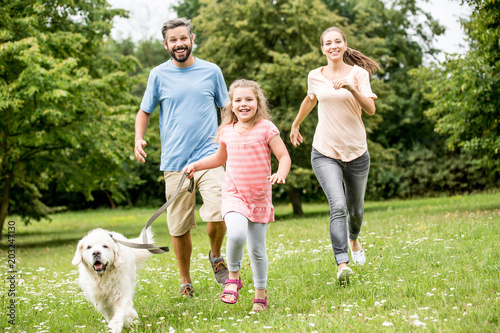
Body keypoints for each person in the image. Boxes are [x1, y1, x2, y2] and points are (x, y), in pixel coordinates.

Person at [134, 18, 230, 297]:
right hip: (175, 162)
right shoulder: (157, 75)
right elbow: (144, 111)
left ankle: (215, 255)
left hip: (210, 156)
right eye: (173, 40)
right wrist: (138, 137)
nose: (179, 44)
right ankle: (185, 281)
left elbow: (225, 108)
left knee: (219, 209)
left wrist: (226, 135)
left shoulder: (211, 71)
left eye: (183, 38)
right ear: (165, 44)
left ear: (191, 39)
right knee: (178, 227)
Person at [183, 79, 291, 311]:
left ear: (258, 102)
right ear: (231, 105)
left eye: (249, 99)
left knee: (257, 250)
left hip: (259, 197)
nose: (244, 104)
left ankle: (260, 295)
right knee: (236, 234)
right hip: (234, 195)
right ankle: (233, 278)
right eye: (238, 100)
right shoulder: (226, 132)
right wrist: (196, 165)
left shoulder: (266, 128)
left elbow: (284, 156)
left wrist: (281, 173)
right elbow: (220, 159)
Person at [290, 27, 379, 284]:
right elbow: (310, 100)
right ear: (322, 48)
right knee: (337, 206)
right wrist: (296, 124)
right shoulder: (315, 76)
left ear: (344, 44)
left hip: (357, 152)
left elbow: (371, 109)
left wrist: (351, 88)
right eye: (327, 43)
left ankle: (353, 238)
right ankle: (342, 264)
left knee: (356, 210)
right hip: (325, 152)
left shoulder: (358, 74)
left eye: (337, 41)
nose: (333, 46)